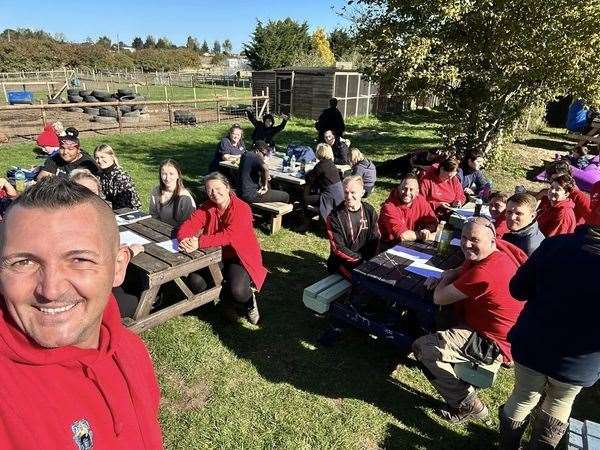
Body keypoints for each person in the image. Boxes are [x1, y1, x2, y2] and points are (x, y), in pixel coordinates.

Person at [0, 177, 163, 448]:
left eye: (79, 260)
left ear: (118, 267)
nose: (50, 290)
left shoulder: (131, 350)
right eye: (24, 261)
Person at [412, 217, 527, 423]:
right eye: (464, 237)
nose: (466, 244)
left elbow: (440, 296)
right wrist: (449, 276)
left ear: (492, 240)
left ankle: (467, 403)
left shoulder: (485, 271)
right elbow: (461, 269)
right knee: (441, 316)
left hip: (492, 342)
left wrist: (445, 277)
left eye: (474, 239)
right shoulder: (495, 254)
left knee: (424, 348)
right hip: (500, 329)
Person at [499, 224, 600, 450]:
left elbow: (518, 289)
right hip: (581, 360)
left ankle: (507, 447)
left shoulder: (556, 244)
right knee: (560, 402)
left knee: (523, 395)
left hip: (533, 342)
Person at [177, 172, 267, 325]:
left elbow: (229, 236)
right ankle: (223, 303)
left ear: (227, 187)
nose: (214, 193)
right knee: (195, 281)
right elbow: (188, 225)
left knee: (238, 290)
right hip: (215, 255)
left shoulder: (242, 208)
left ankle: (249, 303)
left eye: (218, 188)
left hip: (239, 256)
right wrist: (184, 238)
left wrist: (199, 242)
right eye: (210, 190)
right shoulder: (207, 207)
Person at [69, 169, 143, 319]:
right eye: (82, 191)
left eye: (92, 192)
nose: (88, 196)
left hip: (94, 280)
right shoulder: (75, 224)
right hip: (81, 288)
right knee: (132, 302)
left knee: (125, 287)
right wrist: (131, 252)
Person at [325, 176, 380, 279]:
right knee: (364, 283)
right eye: (346, 192)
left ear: (362, 193)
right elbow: (338, 248)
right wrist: (360, 261)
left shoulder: (369, 211)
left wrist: (371, 260)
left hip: (365, 260)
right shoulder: (334, 217)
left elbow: (375, 238)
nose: (349, 196)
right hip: (341, 263)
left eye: (353, 192)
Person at [378, 173, 438, 248]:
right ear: (398, 188)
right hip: (389, 246)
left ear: (417, 192)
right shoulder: (389, 207)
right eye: (404, 188)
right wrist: (425, 236)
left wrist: (427, 230)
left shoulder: (420, 200)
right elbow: (403, 236)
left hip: (412, 243)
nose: (407, 193)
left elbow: (434, 222)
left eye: (411, 190)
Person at [303, 143, 344, 222]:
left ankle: (305, 222)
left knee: (305, 199)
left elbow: (308, 178)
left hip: (329, 197)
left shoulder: (320, 165)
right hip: (339, 195)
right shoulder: (331, 163)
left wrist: (308, 172)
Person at [149, 159, 196, 227]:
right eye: (164, 174)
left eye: (171, 174)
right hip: (159, 229)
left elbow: (190, 224)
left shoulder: (185, 198)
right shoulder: (156, 191)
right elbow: (153, 215)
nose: (167, 178)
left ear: (178, 175)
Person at [94, 144, 142, 210]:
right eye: (97, 158)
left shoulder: (121, 177)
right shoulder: (98, 175)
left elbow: (125, 204)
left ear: (111, 157)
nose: (99, 161)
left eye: (103, 157)